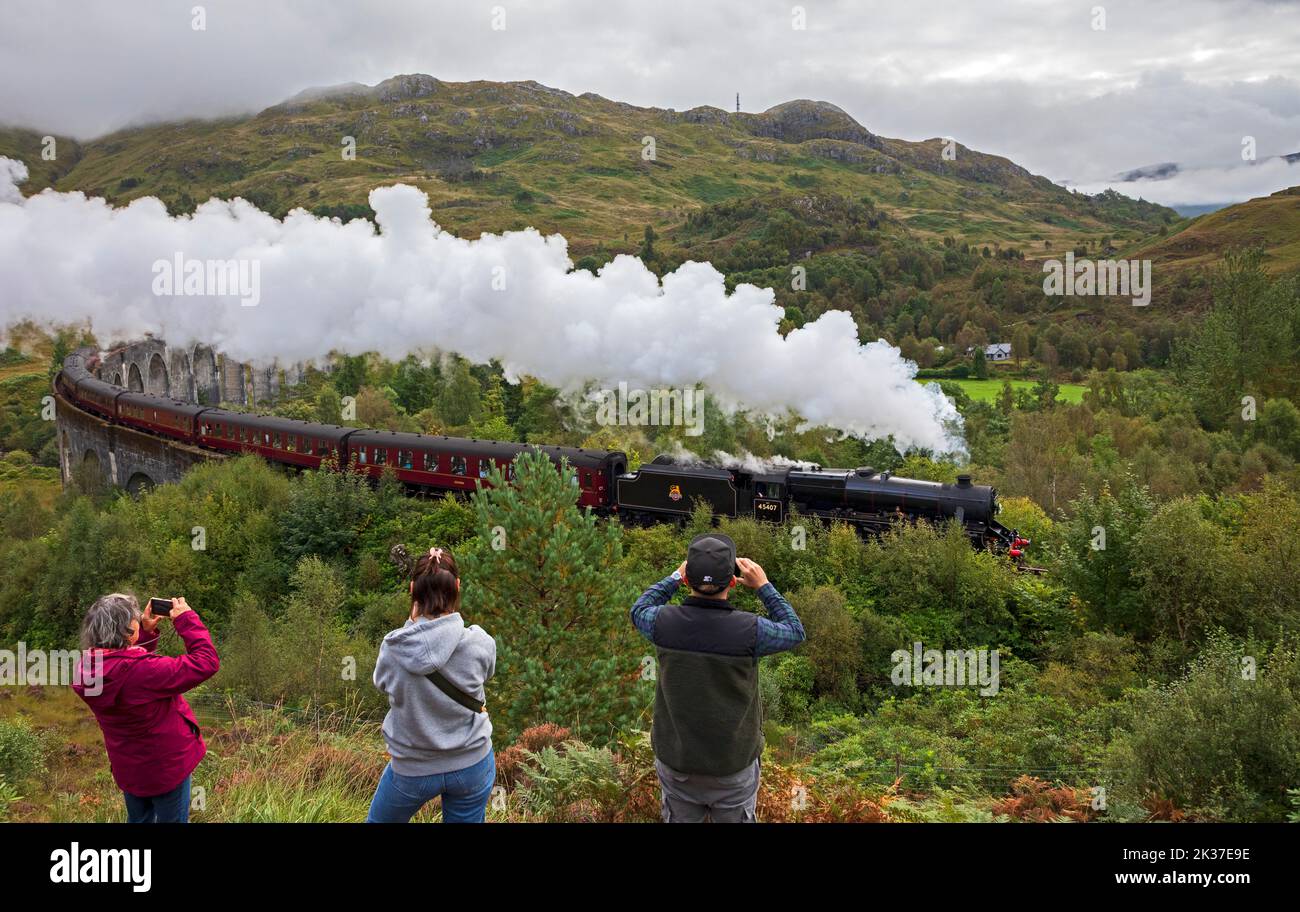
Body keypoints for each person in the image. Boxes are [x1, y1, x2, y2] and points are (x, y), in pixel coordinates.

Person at [630, 533, 805, 822]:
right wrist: (764, 587)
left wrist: (674, 576)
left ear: (687, 580)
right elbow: (795, 631)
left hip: (678, 763)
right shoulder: (751, 631)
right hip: (733, 767)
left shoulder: (663, 623)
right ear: (733, 581)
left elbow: (638, 609)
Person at [367, 547, 497, 823]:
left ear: (413, 590)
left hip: (413, 769)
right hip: (472, 762)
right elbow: (487, 674)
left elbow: (382, 683)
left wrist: (411, 626)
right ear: (458, 587)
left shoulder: (394, 648)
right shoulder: (480, 643)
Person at [72, 593, 219, 823]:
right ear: (126, 630)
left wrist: (145, 634)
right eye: (134, 618)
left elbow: (126, 672)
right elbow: (206, 662)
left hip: (130, 768)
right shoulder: (145, 673)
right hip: (166, 769)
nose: (138, 618)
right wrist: (186, 620)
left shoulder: (87, 669)